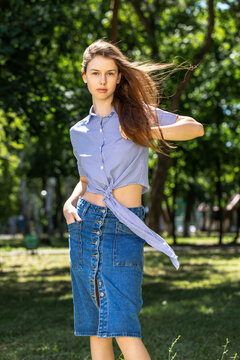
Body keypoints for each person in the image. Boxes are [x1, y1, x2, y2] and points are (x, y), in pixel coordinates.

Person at [63, 39, 204, 360]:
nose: (102, 81)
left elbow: (194, 128)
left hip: (123, 225)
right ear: (83, 75)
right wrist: (69, 202)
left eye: (110, 73)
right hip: (84, 225)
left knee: (123, 327)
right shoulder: (78, 131)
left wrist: (145, 130)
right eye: (95, 73)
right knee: (96, 329)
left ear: (119, 77)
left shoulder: (136, 114)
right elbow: (87, 178)